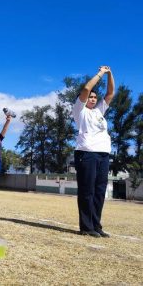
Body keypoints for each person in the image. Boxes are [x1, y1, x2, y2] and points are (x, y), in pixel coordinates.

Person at [73, 66, 114, 238]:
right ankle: (86, 227)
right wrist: (100, 74)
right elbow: (86, 88)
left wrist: (110, 74)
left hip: (103, 154)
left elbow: (110, 93)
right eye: (91, 97)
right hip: (87, 154)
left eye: (95, 97)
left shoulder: (99, 112)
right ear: (84, 99)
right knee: (87, 190)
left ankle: (96, 225)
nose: (93, 98)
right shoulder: (80, 110)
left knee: (99, 191)